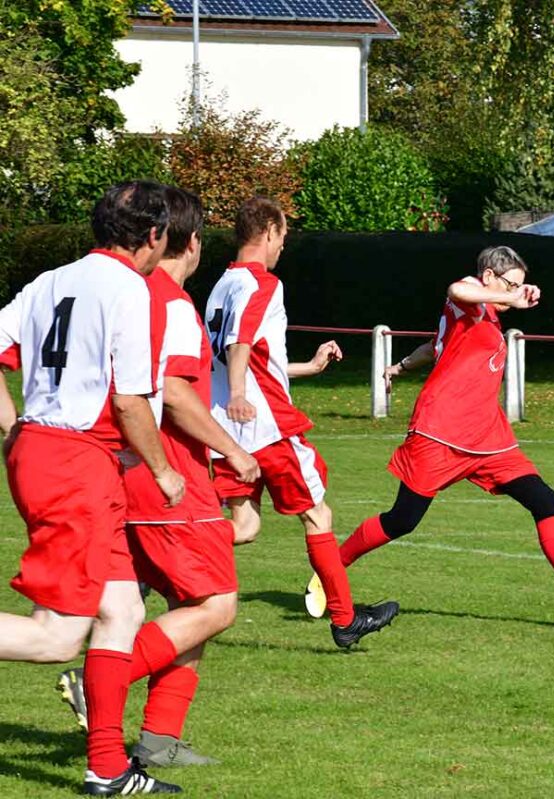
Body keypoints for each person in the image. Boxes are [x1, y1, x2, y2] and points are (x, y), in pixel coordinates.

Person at [304, 246, 554, 627]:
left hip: (487, 436)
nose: (515, 292)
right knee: (403, 519)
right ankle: (329, 572)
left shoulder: (484, 315)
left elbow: (434, 347)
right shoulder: (470, 300)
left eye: (520, 285)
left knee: (544, 499)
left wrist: (399, 367)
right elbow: (458, 289)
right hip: (441, 431)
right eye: (509, 283)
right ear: (489, 277)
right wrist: (508, 296)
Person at [56, 187, 261, 767]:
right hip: (169, 476)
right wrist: (234, 454)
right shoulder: (167, 302)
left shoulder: (121, 294)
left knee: (186, 606)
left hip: (122, 472)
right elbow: (170, 392)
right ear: (189, 242)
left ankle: (160, 739)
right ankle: (99, 690)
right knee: (217, 604)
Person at [0, 182, 185, 794]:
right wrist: (163, 470)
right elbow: (131, 401)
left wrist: (14, 426)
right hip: (77, 462)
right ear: (154, 235)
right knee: (57, 637)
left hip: (56, 454)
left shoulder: (50, 280)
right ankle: (107, 767)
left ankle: (107, 769)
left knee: (124, 610)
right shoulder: (130, 288)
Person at [205, 195, 397, 648]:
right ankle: (346, 619)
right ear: (269, 232)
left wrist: (307, 368)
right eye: (283, 237)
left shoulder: (220, 286)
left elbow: (245, 356)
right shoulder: (263, 283)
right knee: (317, 513)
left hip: (227, 429)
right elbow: (240, 344)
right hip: (265, 426)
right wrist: (237, 394)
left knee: (246, 528)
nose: (283, 247)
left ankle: (159, 549)